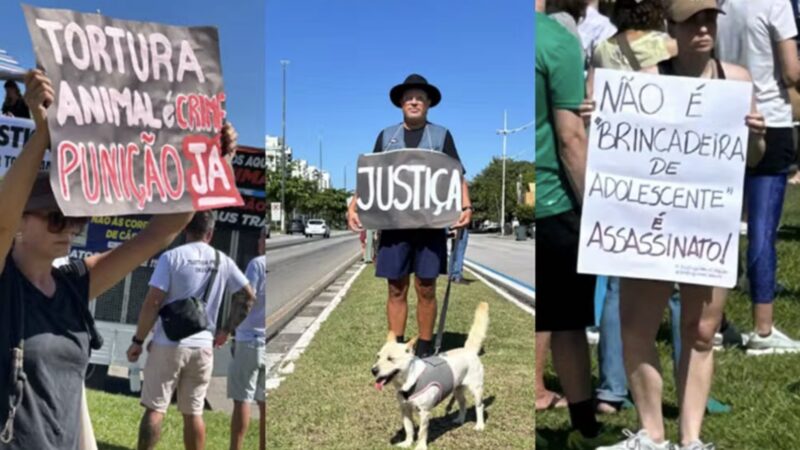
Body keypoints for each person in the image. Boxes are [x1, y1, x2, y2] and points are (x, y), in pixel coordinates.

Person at [0, 70, 235, 450]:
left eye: (76, 218)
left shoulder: (74, 284)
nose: (70, 228)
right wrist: (45, 133)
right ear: (19, 223)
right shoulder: (5, 281)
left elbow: (160, 233)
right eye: (56, 217)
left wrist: (208, 162)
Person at [597, 1, 766, 448]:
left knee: (703, 331)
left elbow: (753, 159)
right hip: (651, 224)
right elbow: (622, 148)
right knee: (637, 327)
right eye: (693, 20)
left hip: (708, 225)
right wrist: (599, 119)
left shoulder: (737, 80)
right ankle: (652, 435)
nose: (704, 29)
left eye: (710, 19)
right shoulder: (647, 81)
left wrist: (757, 134)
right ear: (671, 24)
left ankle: (692, 439)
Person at [535, 2, 617, 448]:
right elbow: (570, 138)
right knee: (566, 322)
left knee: (539, 317)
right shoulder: (556, 40)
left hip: (534, 203)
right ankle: (584, 426)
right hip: (555, 201)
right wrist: (599, 211)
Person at [347, 73, 473, 359]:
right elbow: (371, 178)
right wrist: (353, 205)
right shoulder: (386, 137)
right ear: (401, 103)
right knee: (396, 287)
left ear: (428, 104)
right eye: (409, 98)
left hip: (430, 225)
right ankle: (396, 348)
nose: (414, 102)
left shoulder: (441, 136)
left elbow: (457, 175)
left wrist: (466, 206)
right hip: (394, 225)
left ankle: (426, 349)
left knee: (426, 287)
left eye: (419, 98)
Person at [127, 210, 256, 450]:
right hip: (203, 346)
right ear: (210, 233)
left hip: (168, 343)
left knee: (155, 409)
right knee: (194, 412)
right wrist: (226, 329)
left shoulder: (172, 257)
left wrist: (138, 340)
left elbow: (153, 302)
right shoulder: (222, 260)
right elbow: (248, 295)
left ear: (186, 229)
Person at [716, 0, 800, 354]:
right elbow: (792, 72)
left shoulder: (721, 5)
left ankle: (715, 324)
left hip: (726, 115)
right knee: (763, 229)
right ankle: (762, 329)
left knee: (721, 225)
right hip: (770, 117)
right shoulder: (775, 4)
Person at [226, 226, 267, 450]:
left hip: (249, 339)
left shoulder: (257, 264)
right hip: (266, 338)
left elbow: (247, 298)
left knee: (242, 399)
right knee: (264, 403)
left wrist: (229, 327)